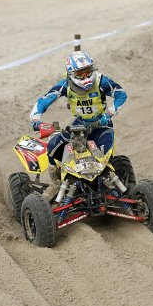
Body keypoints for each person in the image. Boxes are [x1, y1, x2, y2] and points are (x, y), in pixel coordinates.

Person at [29, 51, 127, 199]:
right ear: (71, 74)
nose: (85, 76)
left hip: (101, 125)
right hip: (78, 126)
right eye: (80, 74)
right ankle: (55, 183)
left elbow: (121, 94)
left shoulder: (101, 81)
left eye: (88, 71)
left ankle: (112, 185)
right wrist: (35, 119)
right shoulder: (65, 85)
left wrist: (109, 114)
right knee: (53, 146)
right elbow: (44, 100)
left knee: (103, 159)